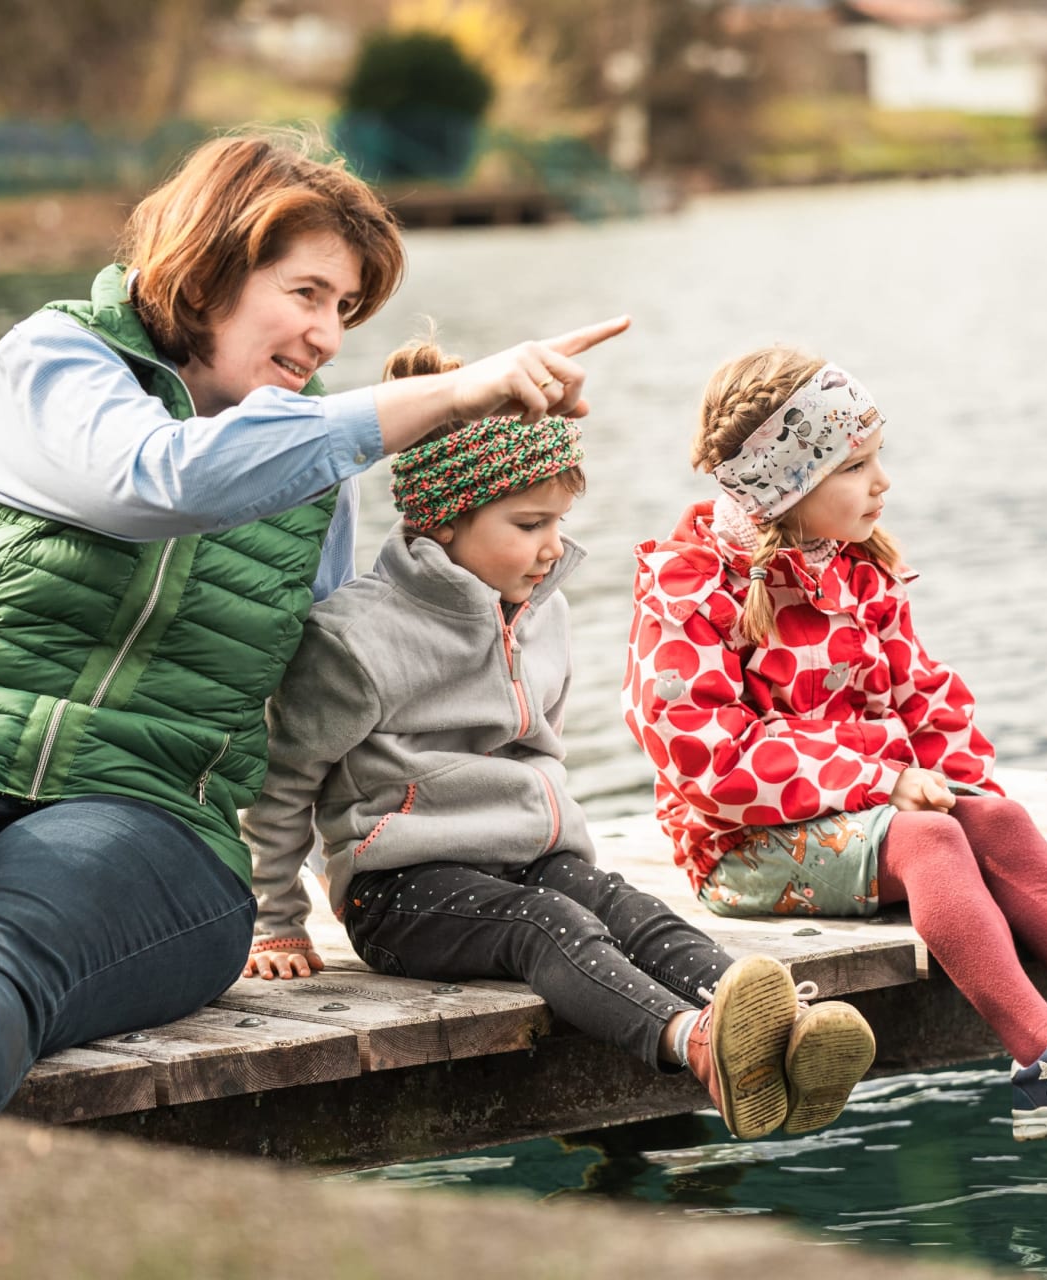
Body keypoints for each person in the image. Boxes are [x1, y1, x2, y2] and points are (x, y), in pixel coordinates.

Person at [0, 129, 629, 1111]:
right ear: (210, 264)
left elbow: (336, 691)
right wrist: (441, 395)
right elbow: (159, 479)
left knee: (14, 931)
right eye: (306, 293)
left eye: (345, 310)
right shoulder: (55, 361)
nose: (326, 336)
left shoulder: (318, 474)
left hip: (156, 824)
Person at [240, 339, 878, 1141]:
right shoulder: (355, 639)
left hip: (526, 859)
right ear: (444, 521)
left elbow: (542, 750)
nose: (552, 547)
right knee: (548, 926)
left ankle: (781, 1031)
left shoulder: (544, 613)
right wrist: (276, 918)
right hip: (401, 890)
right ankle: (699, 1044)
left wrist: (562, 848)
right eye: (528, 524)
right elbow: (281, 784)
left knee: (627, 909)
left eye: (559, 523)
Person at [621, 346, 1047, 1141]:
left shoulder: (857, 571)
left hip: (863, 818)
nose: (882, 483)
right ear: (788, 484)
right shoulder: (689, 588)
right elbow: (707, 761)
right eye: (855, 467)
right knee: (929, 840)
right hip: (741, 845)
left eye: (877, 458)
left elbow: (923, 699)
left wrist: (961, 793)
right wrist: (882, 782)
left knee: (996, 819)